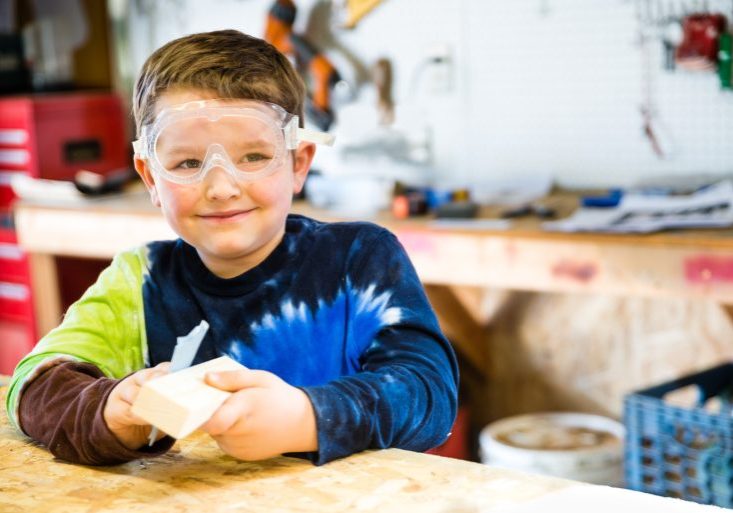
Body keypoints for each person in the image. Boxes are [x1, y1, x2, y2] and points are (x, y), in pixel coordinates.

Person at [5, 29, 458, 466]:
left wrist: (307, 418)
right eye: (187, 162)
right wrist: (108, 413)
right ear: (150, 177)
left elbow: (430, 394)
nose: (221, 187)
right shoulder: (138, 281)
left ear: (297, 163)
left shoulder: (360, 259)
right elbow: (33, 383)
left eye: (254, 157)